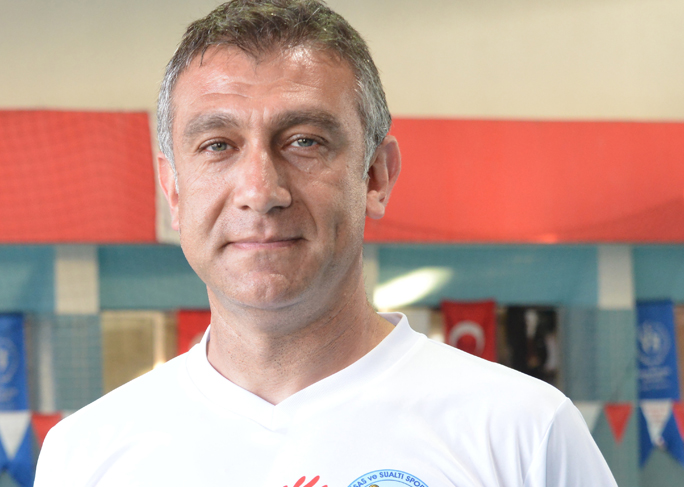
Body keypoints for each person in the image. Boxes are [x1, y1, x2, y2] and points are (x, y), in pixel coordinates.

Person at [35, 1, 617, 486]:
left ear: (376, 176)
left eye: (305, 141)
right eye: (218, 145)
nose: (260, 192)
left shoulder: (523, 435)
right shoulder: (85, 457)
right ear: (173, 188)